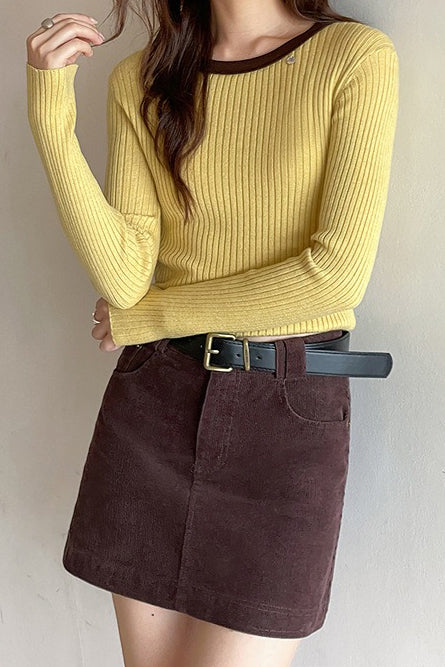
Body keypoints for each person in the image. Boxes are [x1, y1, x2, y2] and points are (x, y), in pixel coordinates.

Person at [26, 1, 399, 665]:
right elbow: (126, 277)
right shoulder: (142, 78)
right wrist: (51, 117)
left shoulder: (352, 59)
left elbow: (332, 279)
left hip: (286, 419)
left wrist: (150, 318)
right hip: (155, 406)